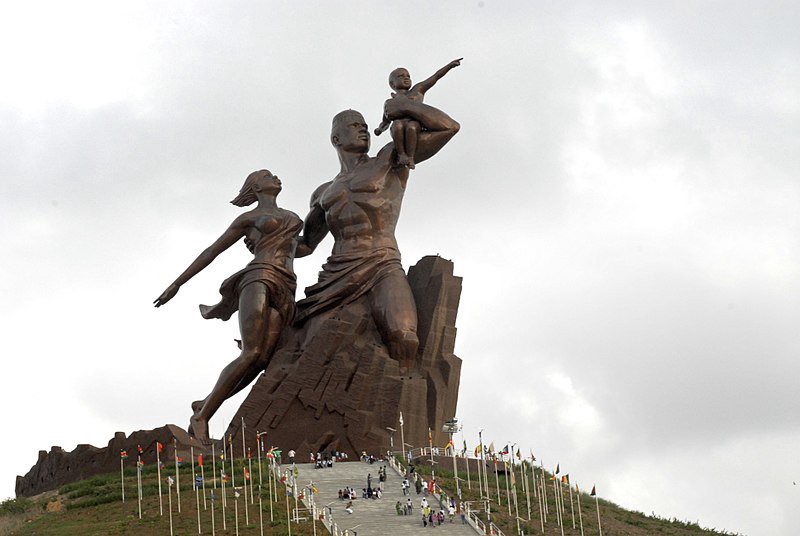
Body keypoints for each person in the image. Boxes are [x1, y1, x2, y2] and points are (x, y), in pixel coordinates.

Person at [295, 95, 460, 375]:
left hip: (382, 262)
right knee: (311, 349)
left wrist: (408, 107)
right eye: (354, 125)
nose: (363, 129)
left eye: (364, 125)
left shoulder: (390, 158)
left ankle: (398, 409)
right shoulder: (324, 193)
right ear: (336, 138)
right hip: (337, 273)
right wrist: (265, 240)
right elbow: (305, 245)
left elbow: (448, 128)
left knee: (404, 337)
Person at [155, 170, 306, 442]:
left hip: (287, 285)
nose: (276, 177)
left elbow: (302, 248)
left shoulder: (293, 217)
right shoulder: (248, 219)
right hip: (259, 276)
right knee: (251, 353)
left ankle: (205, 402)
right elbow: (212, 251)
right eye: (268, 175)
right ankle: (201, 417)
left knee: (262, 360)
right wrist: (177, 283)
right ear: (256, 186)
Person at [374, 59, 462, 169]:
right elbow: (385, 121)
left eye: (408, 76)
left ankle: (410, 157)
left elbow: (435, 77)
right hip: (398, 127)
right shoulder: (390, 102)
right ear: (392, 84)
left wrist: (449, 66)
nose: (406, 78)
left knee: (412, 126)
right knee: (397, 125)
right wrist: (379, 129)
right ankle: (402, 154)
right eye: (401, 76)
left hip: (414, 125)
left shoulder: (417, 90)